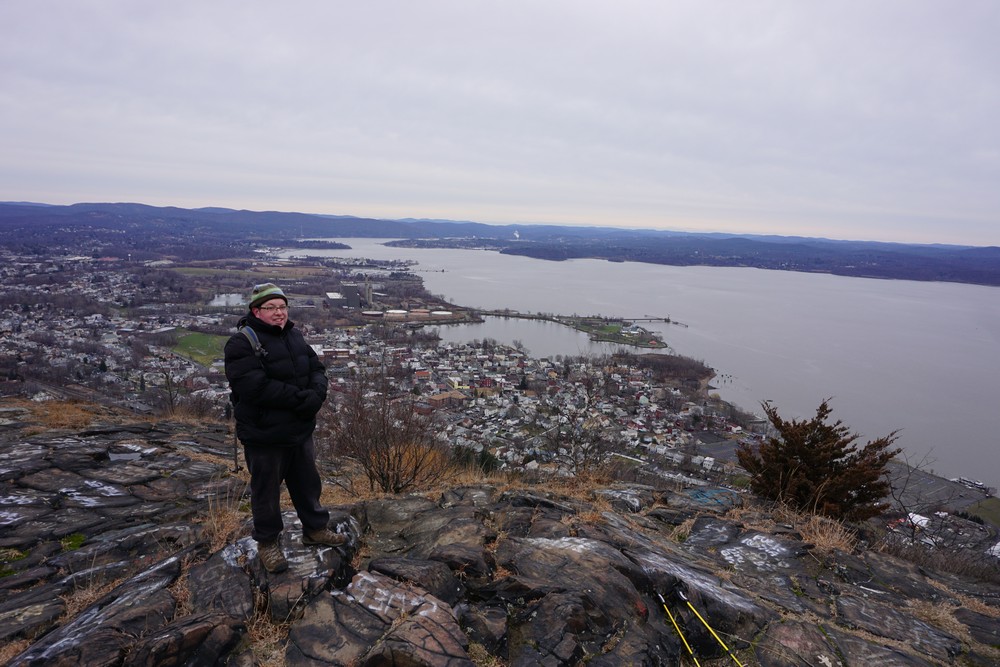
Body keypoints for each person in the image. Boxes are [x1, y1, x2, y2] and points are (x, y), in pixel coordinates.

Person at [224, 282, 346, 573]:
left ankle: (315, 529)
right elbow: (255, 387)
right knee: (265, 491)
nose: (279, 313)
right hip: (265, 434)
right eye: (271, 308)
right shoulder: (242, 343)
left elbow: (316, 368)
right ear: (256, 311)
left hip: (299, 429)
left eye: (282, 307)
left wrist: (317, 395)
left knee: (307, 483)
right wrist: (304, 400)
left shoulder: (294, 335)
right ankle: (267, 543)